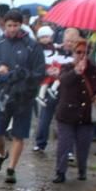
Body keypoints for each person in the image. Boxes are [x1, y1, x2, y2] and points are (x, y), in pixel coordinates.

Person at [0, 9, 46, 184]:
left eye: (16, 25)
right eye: (9, 25)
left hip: (23, 97)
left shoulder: (32, 45)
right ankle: (1, 154)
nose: (12, 29)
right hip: (2, 95)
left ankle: (11, 169)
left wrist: (21, 76)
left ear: (22, 25)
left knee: (19, 135)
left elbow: (39, 72)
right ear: (4, 25)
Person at [52, 38, 96, 183]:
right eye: (78, 52)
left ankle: (82, 170)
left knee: (83, 145)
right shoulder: (67, 67)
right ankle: (60, 172)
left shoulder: (94, 69)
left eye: (84, 52)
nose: (81, 55)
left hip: (86, 114)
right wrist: (76, 71)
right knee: (64, 144)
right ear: (74, 53)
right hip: (67, 114)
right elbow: (63, 82)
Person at [32, 25, 69, 154]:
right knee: (46, 115)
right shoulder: (37, 51)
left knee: (61, 117)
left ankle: (66, 146)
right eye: (42, 37)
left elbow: (65, 63)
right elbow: (36, 67)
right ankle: (41, 142)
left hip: (61, 84)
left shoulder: (60, 49)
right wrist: (47, 71)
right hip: (47, 83)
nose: (45, 39)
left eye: (47, 36)